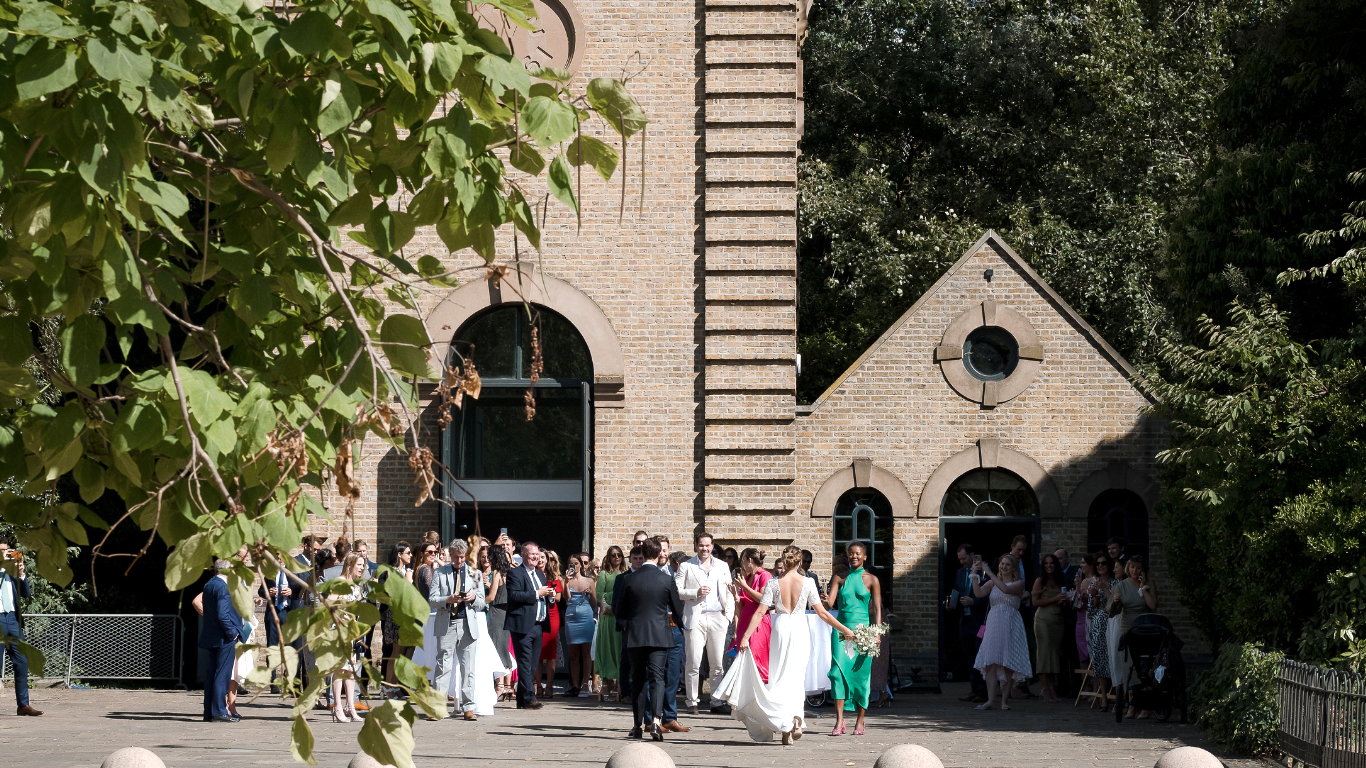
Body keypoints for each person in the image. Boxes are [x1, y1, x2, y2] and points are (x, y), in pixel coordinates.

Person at [716, 545, 853, 744]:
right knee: (796, 677)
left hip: (780, 628)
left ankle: (784, 725)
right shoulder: (808, 582)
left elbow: (760, 612)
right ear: (799, 561)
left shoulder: (773, 583)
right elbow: (822, 613)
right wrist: (844, 629)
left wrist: (745, 636)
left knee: (778, 675)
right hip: (799, 628)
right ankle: (796, 720)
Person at [614, 537, 686, 741]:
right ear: (659, 554)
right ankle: (655, 720)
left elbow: (620, 609)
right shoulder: (666, 579)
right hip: (659, 634)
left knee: (638, 678)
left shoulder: (629, 579)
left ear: (643, 554)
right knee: (657, 678)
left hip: (636, 634)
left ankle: (637, 724)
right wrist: (677, 623)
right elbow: (677, 609)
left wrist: (629, 622)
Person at [824, 541, 881, 735]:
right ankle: (839, 720)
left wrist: (877, 632)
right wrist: (824, 600)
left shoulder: (872, 579)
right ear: (847, 556)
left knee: (861, 676)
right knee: (836, 673)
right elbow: (829, 605)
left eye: (857, 553)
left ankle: (860, 720)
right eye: (851, 553)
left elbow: (877, 609)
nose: (854, 556)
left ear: (864, 556)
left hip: (863, 632)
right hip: (840, 631)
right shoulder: (839, 577)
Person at [677, 531, 734, 716]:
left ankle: (717, 701)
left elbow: (729, 592)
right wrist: (696, 592)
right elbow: (677, 590)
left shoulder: (722, 566)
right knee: (693, 662)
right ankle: (692, 701)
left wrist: (728, 616)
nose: (704, 548)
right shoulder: (686, 566)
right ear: (696, 545)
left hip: (718, 617)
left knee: (717, 663)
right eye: (701, 545)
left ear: (712, 546)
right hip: (696, 617)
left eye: (707, 545)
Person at [429, 539, 487, 720]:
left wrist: (472, 597)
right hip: (447, 624)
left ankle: (468, 707)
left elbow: (482, 602)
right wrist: (447, 599)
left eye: (462, 557)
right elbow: (432, 599)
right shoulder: (440, 572)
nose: (459, 561)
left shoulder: (475, 574)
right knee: (442, 666)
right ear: (450, 556)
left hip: (467, 624)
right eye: (456, 557)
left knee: (468, 668)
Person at [972, 554, 1031, 711]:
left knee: (1008, 663)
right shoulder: (993, 582)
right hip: (994, 623)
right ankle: (990, 700)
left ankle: (1004, 700)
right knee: (990, 662)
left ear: (1013, 568)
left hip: (1011, 623)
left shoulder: (1019, 583)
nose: (1004, 567)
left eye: (1007, 564)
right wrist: (974, 574)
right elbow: (978, 593)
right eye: (1002, 564)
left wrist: (989, 572)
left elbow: (1005, 589)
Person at [505, 541, 555, 710]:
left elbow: (543, 597)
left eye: (537, 555)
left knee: (532, 665)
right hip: (522, 625)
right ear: (523, 555)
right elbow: (514, 596)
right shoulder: (515, 574)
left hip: (538, 625)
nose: (535, 557)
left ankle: (522, 700)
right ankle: (530, 697)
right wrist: (537, 593)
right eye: (532, 554)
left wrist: (550, 595)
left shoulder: (540, 575)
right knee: (525, 662)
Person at [646, 536, 689, 733]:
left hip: (674, 628)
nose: (662, 554)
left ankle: (670, 717)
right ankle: (651, 719)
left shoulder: (675, 572)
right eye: (660, 550)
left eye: (665, 550)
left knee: (672, 675)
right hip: (655, 629)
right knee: (654, 675)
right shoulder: (648, 573)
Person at [1111, 555, 1158, 719]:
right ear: (1128, 568)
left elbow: (1153, 606)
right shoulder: (1121, 586)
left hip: (1145, 629)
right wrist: (1115, 602)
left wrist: (1144, 588)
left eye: (1138, 568)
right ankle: (1131, 704)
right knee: (1128, 665)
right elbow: (1111, 611)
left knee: (1146, 665)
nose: (1135, 571)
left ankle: (1145, 705)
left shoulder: (1149, 583)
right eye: (1132, 567)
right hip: (1128, 628)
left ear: (1143, 570)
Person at [0, 540, 42, 717]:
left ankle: (23, 705)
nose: (5, 554)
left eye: (6, 550)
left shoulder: (12, 572)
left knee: (22, 661)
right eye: (1, 551)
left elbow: (26, 593)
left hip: (13, 620)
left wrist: (21, 574)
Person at [198, 559, 243, 722]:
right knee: (222, 675)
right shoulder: (223, 586)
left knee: (212, 674)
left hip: (213, 635)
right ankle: (218, 712)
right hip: (224, 637)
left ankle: (209, 712)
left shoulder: (209, 584)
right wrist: (232, 633)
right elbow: (222, 614)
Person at [326, 553, 367, 722]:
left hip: (352, 631)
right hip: (339, 631)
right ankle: (337, 706)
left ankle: (350, 706)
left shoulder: (356, 585)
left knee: (351, 670)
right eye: (359, 565)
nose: (362, 568)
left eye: (363, 565)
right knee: (340, 670)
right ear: (350, 565)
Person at [946, 544, 987, 703]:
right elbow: (957, 591)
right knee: (969, 657)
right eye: (960, 559)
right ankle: (974, 690)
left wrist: (974, 601)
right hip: (965, 620)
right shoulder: (960, 573)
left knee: (981, 655)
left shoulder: (984, 572)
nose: (962, 562)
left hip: (980, 621)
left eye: (964, 558)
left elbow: (990, 596)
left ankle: (983, 692)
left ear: (972, 555)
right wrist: (951, 604)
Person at [611, 545, 647, 705]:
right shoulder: (622, 578)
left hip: (645, 624)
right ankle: (625, 692)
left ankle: (641, 692)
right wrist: (623, 622)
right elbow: (616, 604)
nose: (638, 561)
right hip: (629, 625)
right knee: (626, 659)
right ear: (630, 560)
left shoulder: (648, 576)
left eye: (641, 558)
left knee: (644, 660)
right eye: (635, 558)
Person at [731, 548, 773, 685]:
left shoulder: (764, 575)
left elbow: (763, 599)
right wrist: (736, 595)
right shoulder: (748, 577)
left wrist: (745, 587)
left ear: (749, 560)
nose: (742, 564)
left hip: (758, 623)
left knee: (756, 658)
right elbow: (742, 604)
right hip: (744, 621)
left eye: (742, 560)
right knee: (743, 662)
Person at [1030, 553, 1067, 702]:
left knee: (1053, 654)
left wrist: (1065, 600)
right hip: (1043, 620)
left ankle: (1051, 687)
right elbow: (1035, 602)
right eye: (1046, 563)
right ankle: (1045, 688)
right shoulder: (1040, 581)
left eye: (1051, 563)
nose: (1049, 566)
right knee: (1044, 654)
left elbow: (1062, 601)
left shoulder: (1060, 580)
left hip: (1057, 621)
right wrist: (1054, 598)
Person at [379, 542, 413, 691]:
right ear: (399, 554)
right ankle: (388, 686)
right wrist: (408, 579)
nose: (411, 555)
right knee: (395, 652)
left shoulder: (404, 570)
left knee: (401, 653)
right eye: (408, 553)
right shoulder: (392, 571)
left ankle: (394, 687)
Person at [563, 553, 598, 697]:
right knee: (573, 654)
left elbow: (594, 604)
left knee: (586, 652)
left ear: (581, 565)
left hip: (586, 617)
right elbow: (566, 598)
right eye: (571, 564)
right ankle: (575, 685)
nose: (574, 566)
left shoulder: (589, 581)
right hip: (571, 618)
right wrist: (566, 582)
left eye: (576, 563)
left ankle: (585, 684)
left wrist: (590, 594)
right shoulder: (565, 580)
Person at [595, 545, 627, 701]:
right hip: (608, 617)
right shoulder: (604, 574)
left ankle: (621, 685)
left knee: (620, 651)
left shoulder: (626, 573)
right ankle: (607, 684)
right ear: (608, 557)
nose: (616, 557)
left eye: (619, 554)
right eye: (613, 555)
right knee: (608, 651)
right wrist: (618, 593)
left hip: (621, 617)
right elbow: (599, 595)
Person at [1086, 552, 1114, 710]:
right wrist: (1095, 598)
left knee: (1114, 659)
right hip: (1099, 624)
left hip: (1113, 622)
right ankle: (1103, 697)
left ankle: (1118, 695)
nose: (1100, 566)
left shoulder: (1116, 582)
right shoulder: (1093, 583)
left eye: (1103, 563)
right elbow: (1090, 610)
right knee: (1101, 660)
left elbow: (1116, 605)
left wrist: (1104, 588)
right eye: (1098, 564)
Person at [536, 550, 565, 698]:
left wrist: (551, 593)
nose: (540, 560)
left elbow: (559, 597)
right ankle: (538, 686)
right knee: (537, 652)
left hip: (552, 614)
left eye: (543, 557)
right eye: (538, 557)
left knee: (550, 651)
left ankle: (549, 685)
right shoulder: (533, 574)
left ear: (547, 560)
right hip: (536, 614)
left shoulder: (553, 575)